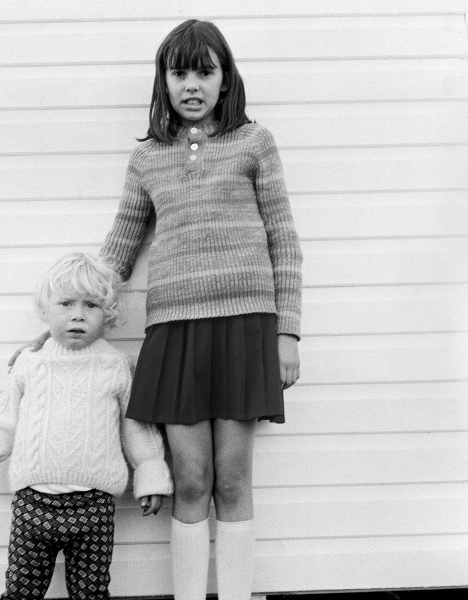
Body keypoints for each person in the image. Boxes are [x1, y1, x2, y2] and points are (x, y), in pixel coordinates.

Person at [98, 19, 303, 600]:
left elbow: (283, 239)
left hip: (245, 327)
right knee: (191, 479)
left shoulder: (254, 142)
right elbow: (120, 245)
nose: (192, 84)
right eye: (179, 71)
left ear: (225, 78)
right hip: (176, 331)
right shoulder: (148, 159)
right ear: (163, 81)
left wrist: (287, 333)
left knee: (233, 480)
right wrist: (67, 322)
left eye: (204, 71)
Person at [0, 252, 173, 600]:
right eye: (66, 304)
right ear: (46, 311)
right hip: (33, 506)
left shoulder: (115, 365)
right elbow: (5, 420)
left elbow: (136, 427)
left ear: (108, 313)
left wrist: (151, 473)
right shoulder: (30, 363)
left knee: (90, 594)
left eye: (91, 305)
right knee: (21, 591)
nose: (78, 314)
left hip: (94, 508)